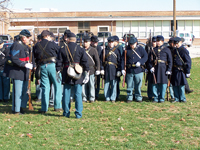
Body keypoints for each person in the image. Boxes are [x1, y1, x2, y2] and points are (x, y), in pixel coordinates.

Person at [57, 32, 89, 118]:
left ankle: (66, 112)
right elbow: (85, 61)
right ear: (75, 40)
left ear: (68, 39)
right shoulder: (80, 49)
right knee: (78, 94)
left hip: (66, 72)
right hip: (78, 72)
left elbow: (59, 62)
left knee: (66, 94)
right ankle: (78, 114)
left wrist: (58, 71)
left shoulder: (63, 49)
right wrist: (86, 72)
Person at [3, 29, 34, 114]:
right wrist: (24, 64)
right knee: (18, 91)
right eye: (28, 37)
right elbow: (14, 58)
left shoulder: (25, 46)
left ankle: (20, 107)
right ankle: (16, 110)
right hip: (17, 71)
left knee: (23, 91)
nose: (28, 39)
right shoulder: (17, 45)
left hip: (23, 72)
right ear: (23, 38)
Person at [34, 30, 62, 113]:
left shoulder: (37, 45)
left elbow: (35, 57)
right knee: (57, 86)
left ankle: (44, 108)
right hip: (52, 65)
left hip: (42, 66)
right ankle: (57, 106)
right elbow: (59, 52)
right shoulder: (52, 44)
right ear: (47, 36)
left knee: (45, 87)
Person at [122, 37, 147, 103]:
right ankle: (129, 97)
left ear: (136, 43)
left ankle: (138, 97)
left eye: (132, 44)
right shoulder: (126, 49)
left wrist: (140, 62)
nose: (131, 46)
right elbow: (123, 60)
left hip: (138, 70)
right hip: (129, 69)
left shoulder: (140, 49)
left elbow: (145, 57)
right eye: (130, 44)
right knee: (129, 85)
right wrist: (122, 69)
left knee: (138, 85)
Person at [148, 35, 172, 103]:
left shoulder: (166, 49)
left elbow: (170, 60)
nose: (157, 42)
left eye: (159, 41)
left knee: (163, 84)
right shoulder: (153, 50)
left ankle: (161, 98)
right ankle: (155, 98)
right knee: (154, 83)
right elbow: (149, 61)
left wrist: (169, 69)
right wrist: (150, 67)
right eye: (157, 41)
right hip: (155, 68)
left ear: (162, 42)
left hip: (163, 68)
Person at [100, 36, 121, 103]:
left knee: (113, 84)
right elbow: (101, 61)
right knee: (107, 84)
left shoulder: (117, 51)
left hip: (114, 69)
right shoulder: (104, 50)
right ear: (108, 43)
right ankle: (107, 97)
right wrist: (102, 69)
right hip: (106, 69)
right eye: (109, 42)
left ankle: (113, 98)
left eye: (112, 42)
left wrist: (119, 70)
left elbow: (119, 61)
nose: (110, 44)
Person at [171, 37, 191, 103]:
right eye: (175, 43)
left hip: (180, 70)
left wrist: (188, 71)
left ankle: (182, 98)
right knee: (175, 84)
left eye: (178, 43)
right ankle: (176, 98)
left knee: (181, 84)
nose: (176, 45)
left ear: (180, 42)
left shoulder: (183, 50)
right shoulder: (174, 50)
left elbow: (188, 61)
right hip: (174, 70)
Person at [82, 36, 100, 103]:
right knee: (83, 85)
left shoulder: (93, 50)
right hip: (83, 69)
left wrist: (98, 69)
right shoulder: (81, 49)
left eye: (86, 42)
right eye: (84, 42)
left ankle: (92, 97)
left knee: (91, 84)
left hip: (91, 69)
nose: (85, 43)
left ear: (89, 42)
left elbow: (97, 60)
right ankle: (84, 98)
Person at [145, 36, 157, 100]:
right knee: (150, 81)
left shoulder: (158, 49)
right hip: (149, 66)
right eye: (153, 42)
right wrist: (146, 67)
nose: (154, 43)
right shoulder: (148, 48)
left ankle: (156, 94)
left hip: (156, 67)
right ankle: (150, 95)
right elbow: (146, 58)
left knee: (156, 82)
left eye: (155, 42)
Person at [90, 35, 102, 101]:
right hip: (91, 67)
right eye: (95, 42)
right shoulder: (89, 48)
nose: (96, 43)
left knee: (97, 82)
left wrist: (99, 68)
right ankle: (90, 94)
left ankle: (96, 95)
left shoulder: (99, 48)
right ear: (91, 42)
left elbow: (100, 59)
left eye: (96, 42)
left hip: (97, 67)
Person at [113, 35, 123, 100]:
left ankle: (117, 95)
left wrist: (120, 69)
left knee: (117, 82)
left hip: (117, 66)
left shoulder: (119, 47)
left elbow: (121, 58)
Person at [0, 38, 10, 103]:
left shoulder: (6, 50)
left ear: (3, 43)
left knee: (6, 84)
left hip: (4, 69)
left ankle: (6, 98)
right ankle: (0, 97)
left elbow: (7, 59)